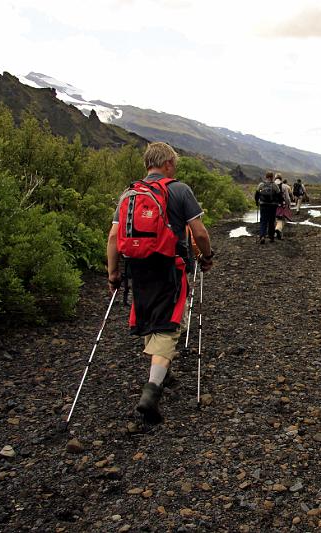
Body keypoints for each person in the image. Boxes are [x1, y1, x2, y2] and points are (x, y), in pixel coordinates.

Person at [106, 142, 214, 424]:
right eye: (174, 163)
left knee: (150, 316)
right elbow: (199, 232)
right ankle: (151, 393)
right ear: (167, 163)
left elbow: (113, 238)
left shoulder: (128, 193)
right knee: (168, 324)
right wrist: (206, 255)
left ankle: (163, 369)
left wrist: (113, 274)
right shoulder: (180, 190)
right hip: (169, 266)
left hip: (137, 268)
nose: (174, 167)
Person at [255, 171, 282, 244]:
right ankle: (271, 237)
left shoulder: (261, 184)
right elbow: (279, 195)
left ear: (266, 177)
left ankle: (262, 236)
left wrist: (257, 202)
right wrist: (281, 203)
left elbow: (256, 194)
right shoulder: (275, 185)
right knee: (271, 221)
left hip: (263, 205)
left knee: (263, 221)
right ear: (272, 177)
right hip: (273, 206)